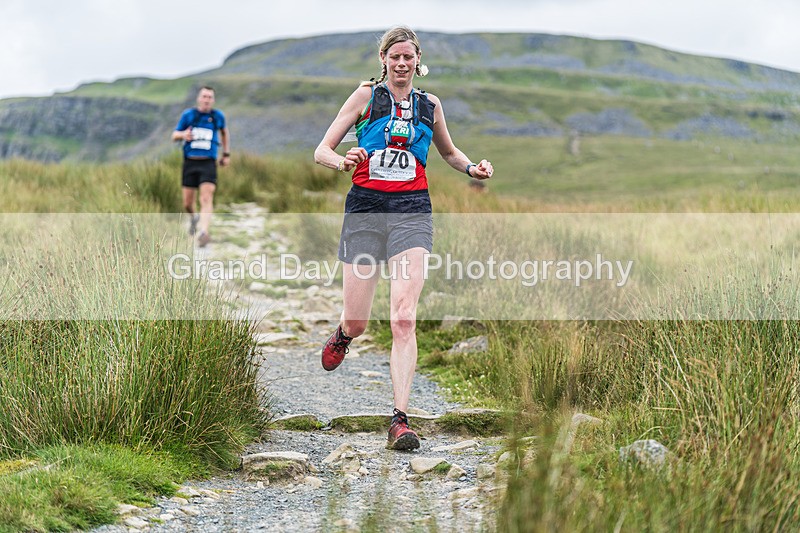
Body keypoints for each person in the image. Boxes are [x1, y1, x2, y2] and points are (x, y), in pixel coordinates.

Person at [314, 26, 493, 451]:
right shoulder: (365, 97)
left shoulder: (430, 105)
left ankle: (400, 419)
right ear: (383, 59)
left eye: (408, 57)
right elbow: (321, 149)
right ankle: (344, 333)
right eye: (394, 56)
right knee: (359, 320)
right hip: (365, 211)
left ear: (417, 61)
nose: (401, 63)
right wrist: (344, 161)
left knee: (403, 317)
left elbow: (449, 152)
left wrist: (472, 169)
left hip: (412, 213)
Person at [172, 86, 231, 247]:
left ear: (213, 100)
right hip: (190, 161)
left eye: (210, 97)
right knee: (187, 203)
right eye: (204, 96)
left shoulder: (217, 116)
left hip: (208, 163)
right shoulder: (188, 115)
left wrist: (226, 154)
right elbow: (174, 135)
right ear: (199, 98)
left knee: (206, 197)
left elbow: (224, 132)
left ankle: (204, 232)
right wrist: (184, 135)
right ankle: (194, 217)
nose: (207, 99)